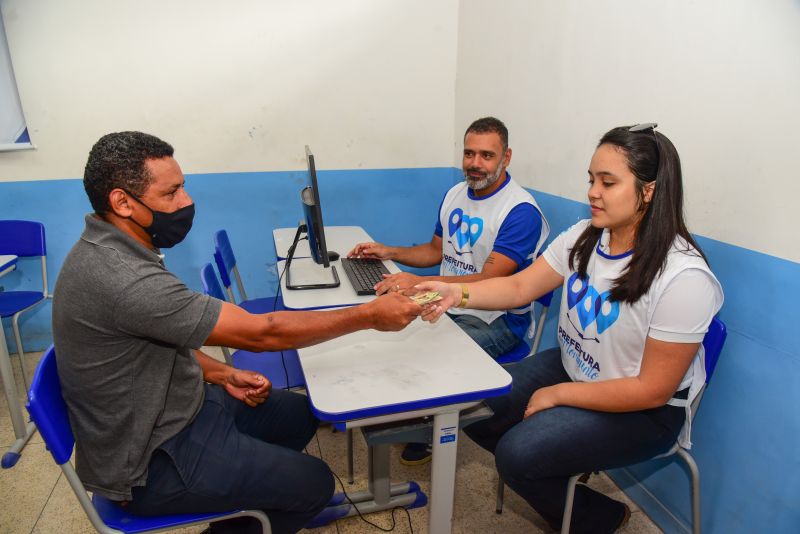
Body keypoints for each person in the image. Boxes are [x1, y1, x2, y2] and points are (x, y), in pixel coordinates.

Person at [52, 131, 422, 534]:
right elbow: (263, 333)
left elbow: (149, 340)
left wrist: (222, 373)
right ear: (122, 202)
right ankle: (252, 516)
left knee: (301, 417)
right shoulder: (121, 276)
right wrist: (368, 314)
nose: (186, 202)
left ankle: (263, 493)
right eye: (171, 193)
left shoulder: (115, 248)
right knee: (314, 484)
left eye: (184, 188)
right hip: (150, 461)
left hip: (183, 407)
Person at [415, 124, 724, 533]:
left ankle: (597, 518)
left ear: (648, 191)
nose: (593, 191)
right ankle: (560, 484)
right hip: (576, 366)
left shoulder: (683, 277)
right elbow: (520, 285)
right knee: (475, 407)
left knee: (517, 455)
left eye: (608, 182)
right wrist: (457, 295)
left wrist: (557, 394)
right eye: (591, 179)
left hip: (645, 410)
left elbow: (652, 389)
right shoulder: (584, 236)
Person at [348, 117, 550, 464]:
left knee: (426, 351)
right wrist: (389, 251)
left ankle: (427, 427)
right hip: (445, 301)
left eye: (486, 155)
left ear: (507, 157)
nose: (475, 163)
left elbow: (491, 280)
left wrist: (422, 285)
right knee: (387, 328)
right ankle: (402, 413)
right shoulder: (455, 194)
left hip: (495, 318)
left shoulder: (520, 211)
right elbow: (434, 251)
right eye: (469, 153)